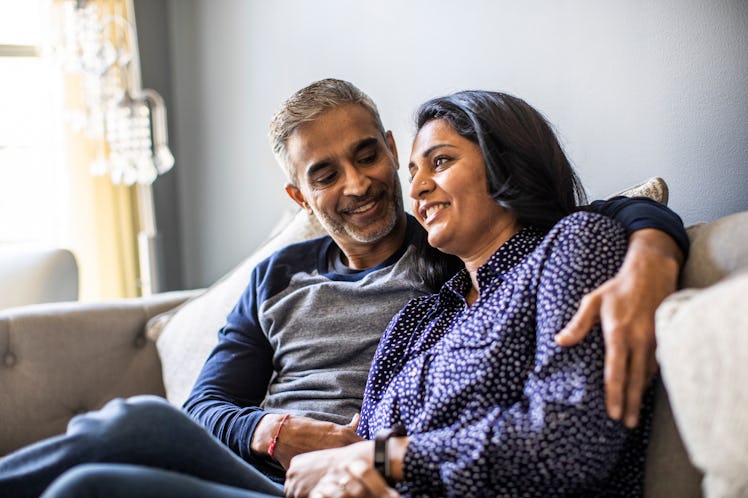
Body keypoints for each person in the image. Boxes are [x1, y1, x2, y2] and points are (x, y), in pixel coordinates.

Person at [0, 80, 687, 498]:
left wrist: (653, 245)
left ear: (388, 147)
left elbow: (591, 218)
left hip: (371, 478)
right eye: (326, 174)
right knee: (134, 427)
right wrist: (276, 434)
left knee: (111, 459)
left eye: (372, 156)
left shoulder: (463, 254)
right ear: (301, 195)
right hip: (295, 473)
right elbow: (209, 405)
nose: (367, 186)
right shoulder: (406, 308)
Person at [287, 90, 659, 497]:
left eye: (441, 161)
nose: (418, 190)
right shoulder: (414, 321)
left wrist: (385, 459)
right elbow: (358, 460)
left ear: (506, 163)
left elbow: (570, 441)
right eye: (413, 174)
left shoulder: (574, 246)